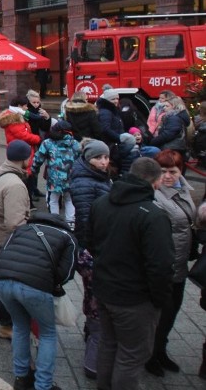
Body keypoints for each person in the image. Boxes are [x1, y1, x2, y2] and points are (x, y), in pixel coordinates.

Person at [88, 157, 174, 390]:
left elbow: (91, 242)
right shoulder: (153, 216)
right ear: (155, 183)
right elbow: (161, 265)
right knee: (132, 354)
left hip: (105, 290)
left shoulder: (102, 202)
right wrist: (158, 299)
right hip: (135, 299)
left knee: (109, 344)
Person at [0, 213, 78, 390]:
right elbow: (67, 273)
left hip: (1, 279)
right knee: (47, 333)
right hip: (35, 286)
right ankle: (43, 385)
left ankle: (21, 378)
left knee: (19, 326)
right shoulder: (67, 237)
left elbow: (4, 252)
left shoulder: (22, 229)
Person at [145, 150, 196, 377]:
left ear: (181, 171)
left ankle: (161, 351)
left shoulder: (184, 189)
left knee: (172, 312)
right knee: (160, 315)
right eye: (163, 171)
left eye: (173, 171)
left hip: (181, 263)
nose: (168, 176)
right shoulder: (154, 195)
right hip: (164, 265)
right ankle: (150, 355)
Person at [69, 139, 112, 379]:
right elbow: (85, 219)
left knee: (92, 296)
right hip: (92, 249)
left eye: (106, 157)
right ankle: (93, 358)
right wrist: (92, 248)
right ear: (88, 159)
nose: (104, 162)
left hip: (95, 246)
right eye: (99, 158)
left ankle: (91, 332)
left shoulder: (97, 177)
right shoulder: (85, 181)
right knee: (95, 297)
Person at [0, 139, 33, 340]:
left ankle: (6, 323)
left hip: (0, 234)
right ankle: (7, 324)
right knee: (12, 281)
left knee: (7, 277)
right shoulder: (15, 184)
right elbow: (15, 223)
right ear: (25, 159)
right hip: (11, 240)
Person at [31, 121, 81, 228]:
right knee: (69, 199)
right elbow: (80, 159)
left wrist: (33, 170)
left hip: (54, 179)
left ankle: (55, 222)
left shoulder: (48, 143)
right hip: (71, 178)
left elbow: (38, 158)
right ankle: (71, 222)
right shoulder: (75, 144)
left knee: (53, 200)